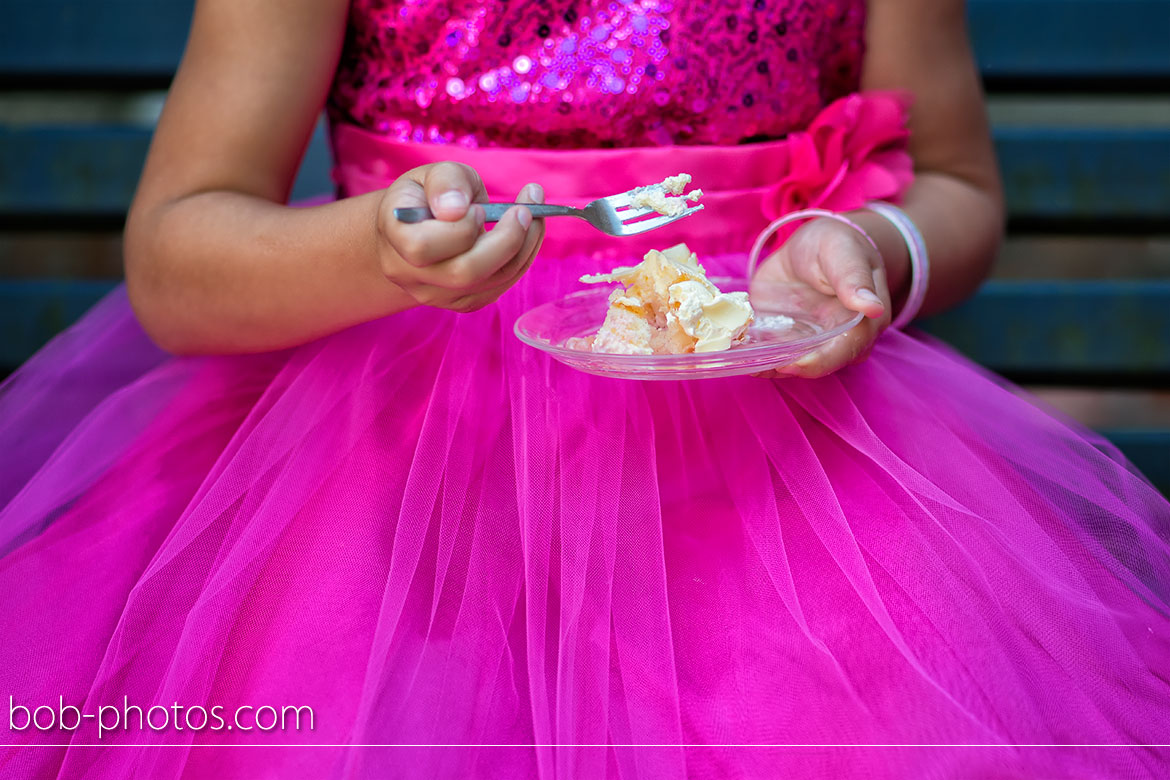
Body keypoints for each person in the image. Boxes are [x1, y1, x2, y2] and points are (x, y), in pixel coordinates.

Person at [2, 0, 1168, 777]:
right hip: (402, 487)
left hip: (774, 481)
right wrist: (379, 253)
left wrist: (872, 244)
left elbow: (959, 181)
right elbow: (177, 261)